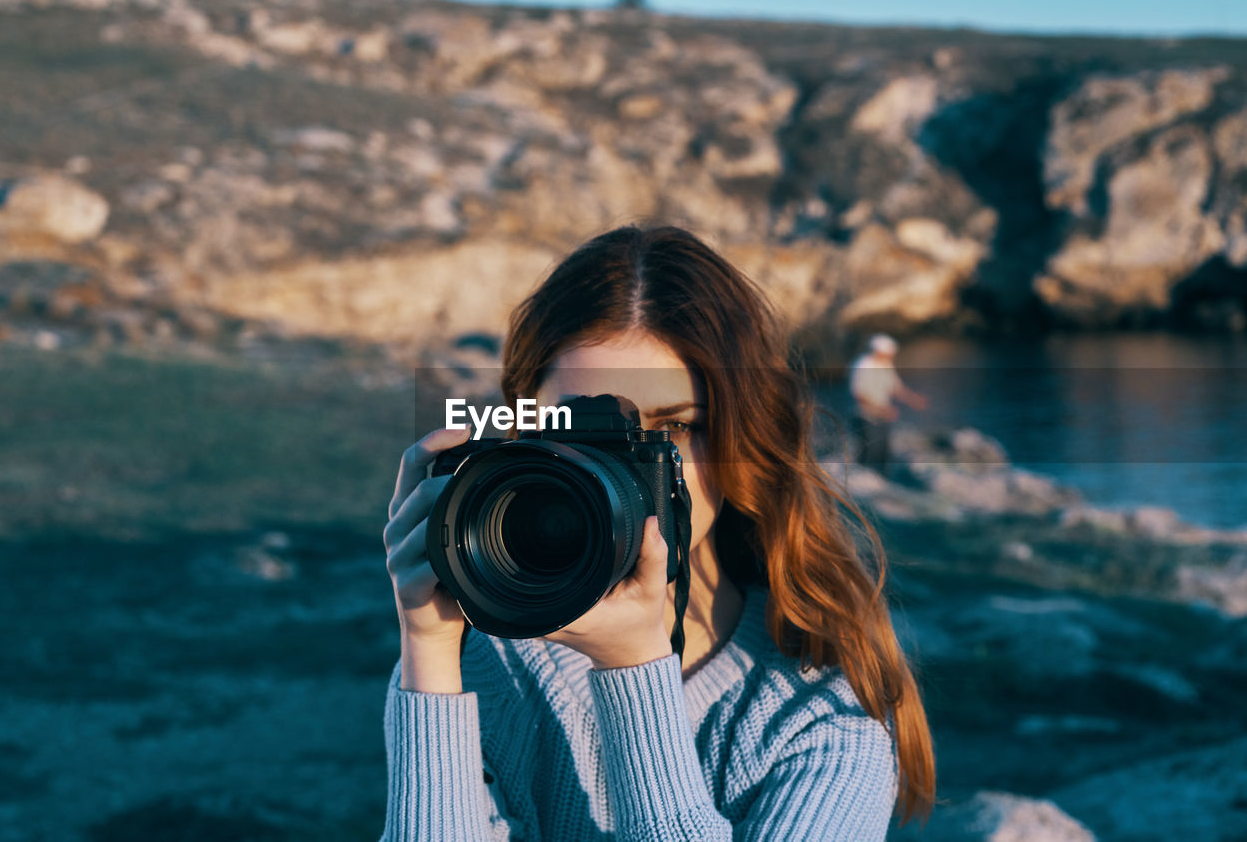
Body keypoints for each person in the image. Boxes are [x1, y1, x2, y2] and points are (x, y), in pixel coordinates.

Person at [382, 226, 935, 841]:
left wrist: (636, 669)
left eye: (672, 429)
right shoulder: (483, 663)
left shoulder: (821, 713)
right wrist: (429, 650)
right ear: (521, 433)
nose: (623, 470)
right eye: (579, 427)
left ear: (741, 441)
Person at [848, 335, 929, 473]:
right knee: (870, 454)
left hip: (883, 417)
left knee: (884, 454)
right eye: (888, 354)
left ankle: (880, 484)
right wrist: (882, 410)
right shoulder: (862, 365)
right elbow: (859, 395)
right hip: (865, 418)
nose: (891, 357)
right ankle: (862, 485)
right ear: (878, 352)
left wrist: (914, 399)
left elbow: (895, 388)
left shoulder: (885, 365)